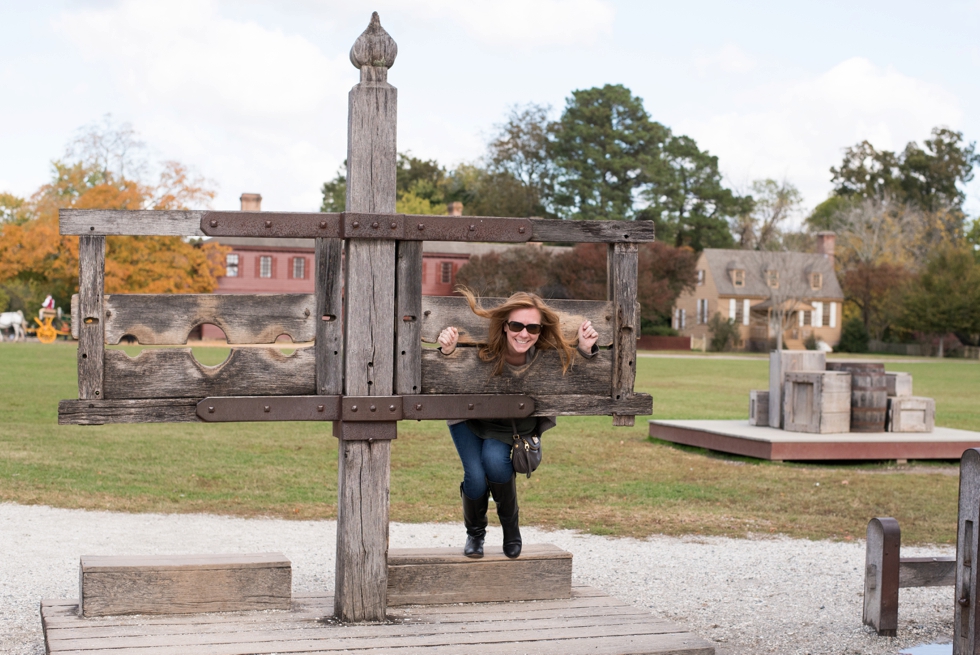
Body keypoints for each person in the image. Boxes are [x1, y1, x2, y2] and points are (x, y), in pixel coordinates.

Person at [437, 289, 599, 559]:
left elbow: (580, 372)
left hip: (511, 424)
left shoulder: (547, 353)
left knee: (495, 464)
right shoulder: (480, 346)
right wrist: (448, 351)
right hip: (468, 417)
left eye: (532, 327)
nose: (524, 333)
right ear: (504, 326)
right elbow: (446, 370)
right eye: (516, 325)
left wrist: (585, 349)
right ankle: (475, 534)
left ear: (540, 330)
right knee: (475, 479)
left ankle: (511, 530)